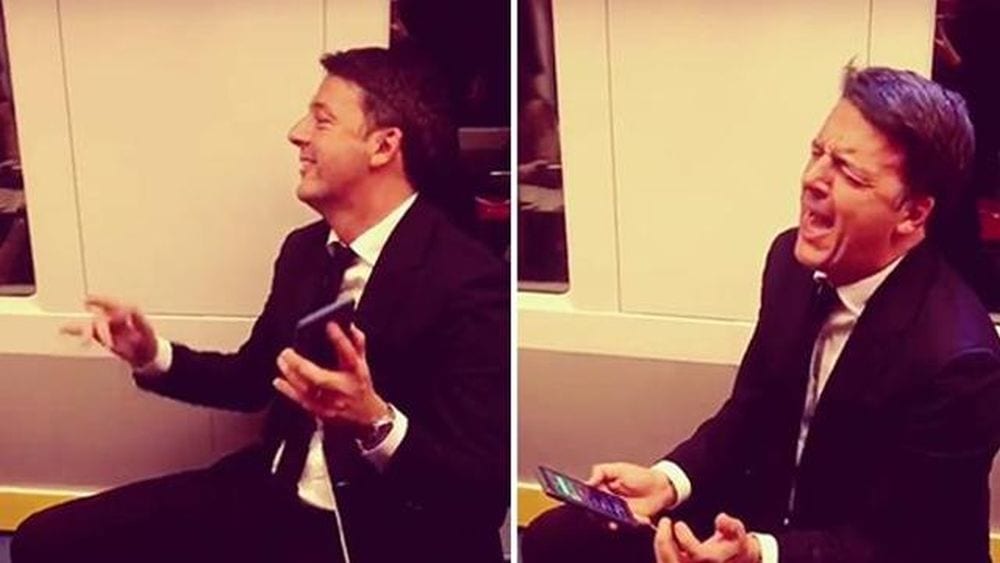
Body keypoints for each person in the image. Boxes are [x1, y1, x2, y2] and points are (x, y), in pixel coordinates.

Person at [11, 47, 510, 563]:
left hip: (382, 531)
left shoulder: (469, 281)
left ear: (383, 146)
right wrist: (149, 353)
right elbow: (251, 380)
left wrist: (374, 422)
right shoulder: (304, 250)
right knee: (45, 541)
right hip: (274, 492)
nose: (297, 134)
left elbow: (480, 495)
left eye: (322, 120)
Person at [522, 66, 1000, 563]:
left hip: (873, 549)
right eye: (818, 153)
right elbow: (749, 413)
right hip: (767, 523)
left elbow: (896, 544)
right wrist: (667, 482)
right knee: (558, 539)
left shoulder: (961, 361)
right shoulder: (789, 265)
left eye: (849, 173)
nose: (813, 179)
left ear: (913, 214)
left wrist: (759, 555)